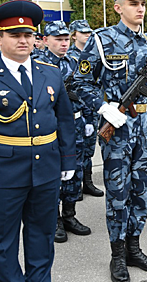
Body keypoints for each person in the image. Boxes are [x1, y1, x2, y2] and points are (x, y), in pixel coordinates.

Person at [0, 0, 77, 281]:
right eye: (15, 35)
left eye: (28, 35)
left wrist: (68, 158)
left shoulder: (51, 72)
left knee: (42, 236)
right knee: (2, 241)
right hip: (3, 174)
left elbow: (64, 119)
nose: (24, 40)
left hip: (46, 170)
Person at [73, 0, 147, 281]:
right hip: (118, 127)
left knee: (141, 190)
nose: (140, 8)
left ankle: (134, 248)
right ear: (118, 7)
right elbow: (79, 82)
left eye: (143, 3)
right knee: (117, 193)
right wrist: (103, 108)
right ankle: (117, 255)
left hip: (146, 127)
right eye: (133, 3)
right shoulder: (101, 41)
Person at [36, 20, 93, 243]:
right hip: (51, 127)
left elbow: (86, 91)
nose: (63, 43)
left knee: (75, 171)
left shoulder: (76, 61)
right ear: (45, 40)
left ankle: (70, 215)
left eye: (65, 39)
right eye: (57, 39)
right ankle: (55, 219)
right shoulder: (37, 65)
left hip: (76, 124)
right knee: (52, 173)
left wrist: (88, 119)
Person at [67, 19, 105, 198]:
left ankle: (87, 183)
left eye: (89, 32)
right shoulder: (69, 56)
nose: (87, 35)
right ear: (73, 35)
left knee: (88, 150)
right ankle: (74, 186)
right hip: (76, 110)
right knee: (74, 153)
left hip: (93, 109)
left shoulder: (97, 54)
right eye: (83, 32)